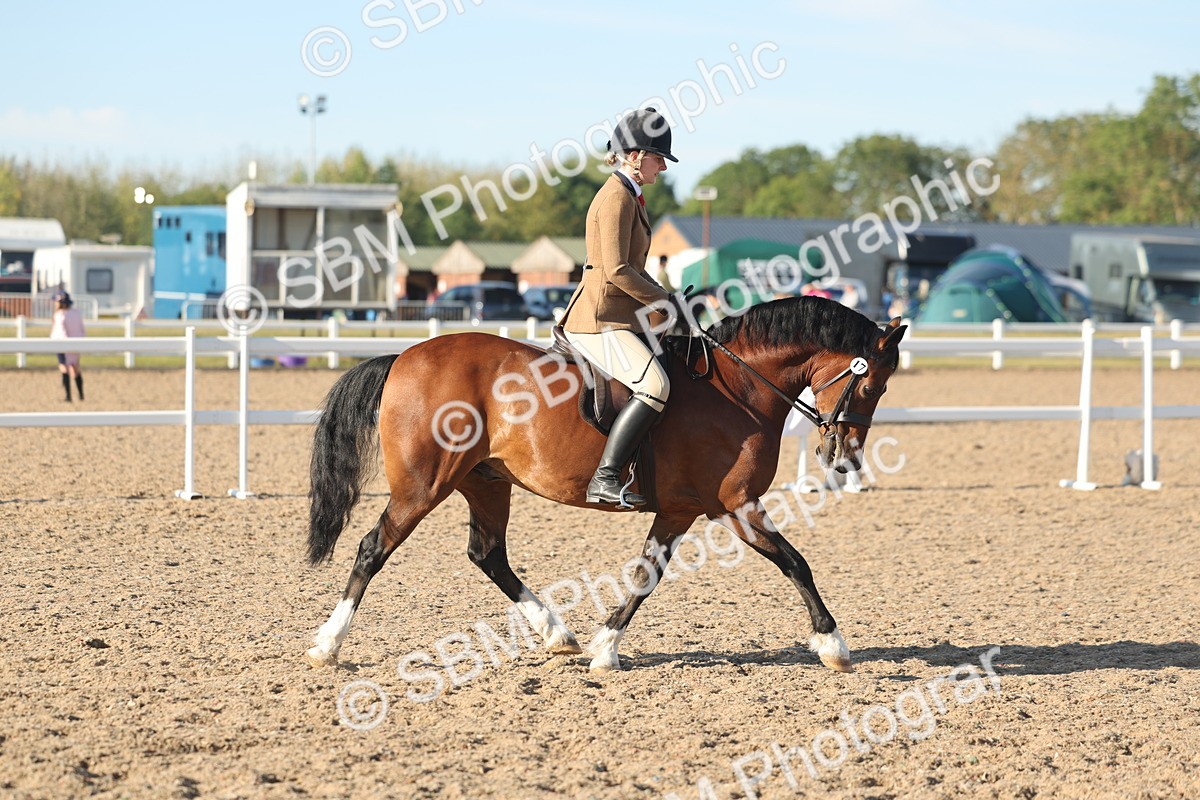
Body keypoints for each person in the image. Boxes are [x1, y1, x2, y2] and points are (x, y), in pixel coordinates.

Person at [561, 107, 679, 507]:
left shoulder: (629, 195)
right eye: (657, 157)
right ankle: (606, 477)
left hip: (618, 315)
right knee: (655, 386)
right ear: (633, 155)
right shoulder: (616, 198)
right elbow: (616, 269)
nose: (663, 166)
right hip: (599, 319)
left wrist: (668, 298)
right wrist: (663, 301)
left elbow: (633, 269)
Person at [50, 290, 86, 402]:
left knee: (64, 368)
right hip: (77, 344)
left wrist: (64, 344)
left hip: (62, 344)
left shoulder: (60, 315)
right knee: (75, 367)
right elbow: (82, 329)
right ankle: (81, 395)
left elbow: (61, 332)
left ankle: (68, 396)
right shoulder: (76, 313)